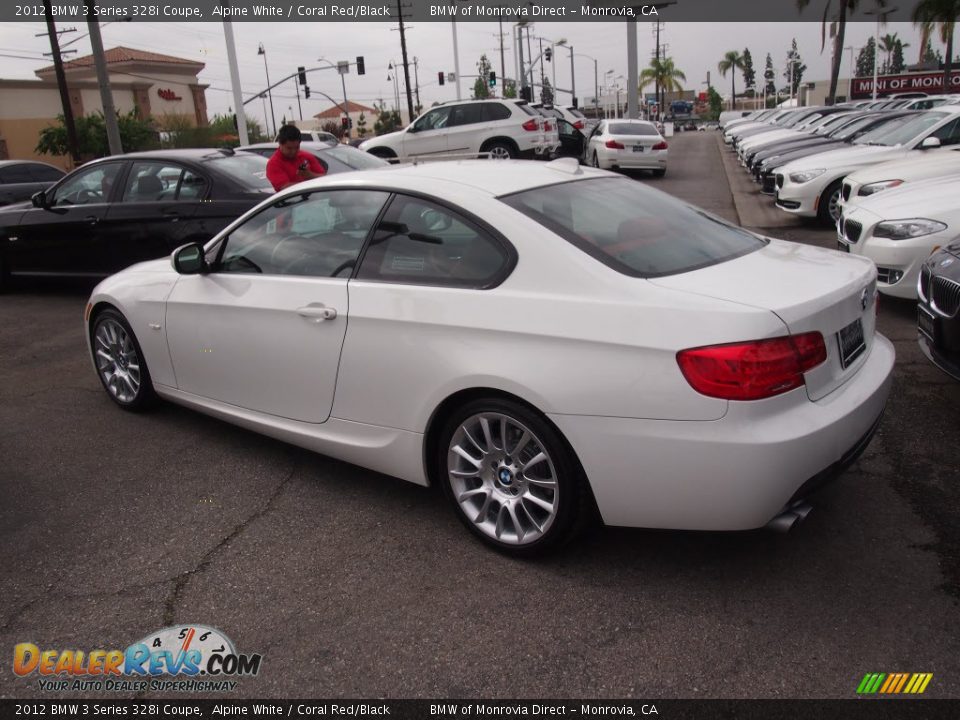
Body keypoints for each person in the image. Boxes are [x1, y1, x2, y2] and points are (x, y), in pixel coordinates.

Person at [266, 124, 326, 192]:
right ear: (280, 144)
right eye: (289, 148)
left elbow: (325, 178)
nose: (293, 151)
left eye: (297, 147)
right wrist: (310, 183)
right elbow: (286, 188)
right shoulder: (274, 164)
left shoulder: (306, 156)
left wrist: (311, 175)